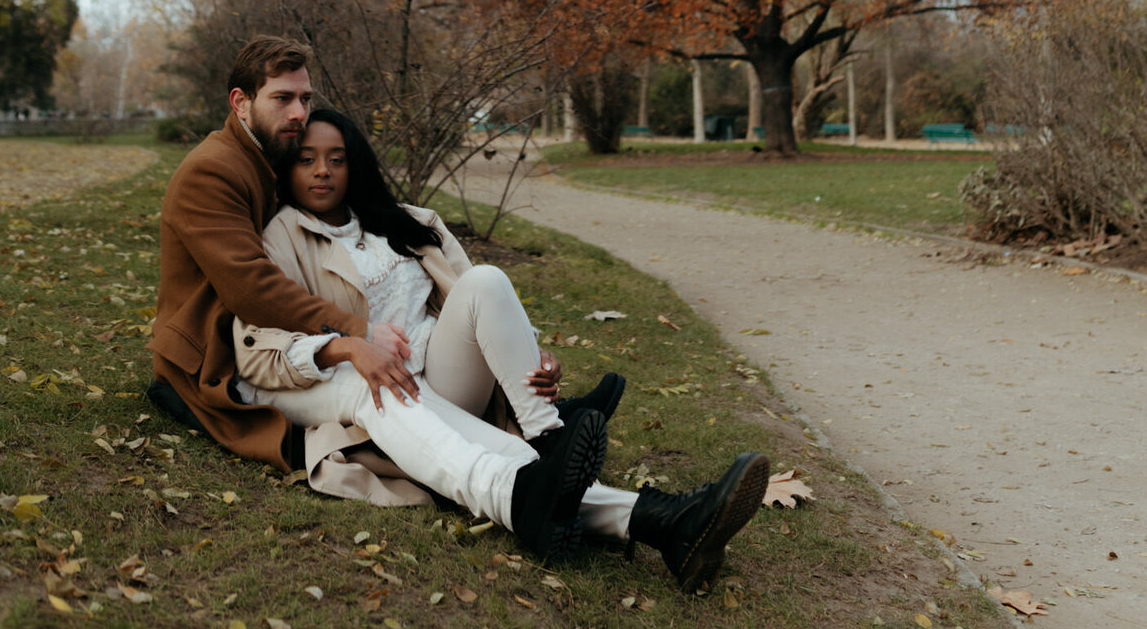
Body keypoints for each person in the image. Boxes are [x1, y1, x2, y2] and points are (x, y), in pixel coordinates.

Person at [233, 107, 771, 592]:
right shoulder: (282, 235)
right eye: (306, 160)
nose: (322, 170)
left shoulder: (410, 223)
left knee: (487, 279)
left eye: (336, 159)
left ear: (356, 165)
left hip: (441, 375)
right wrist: (349, 346)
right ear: (289, 168)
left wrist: (532, 358)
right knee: (484, 451)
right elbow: (259, 346)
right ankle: (666, 520)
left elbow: (481, 303)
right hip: (367, 387)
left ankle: (548, 431)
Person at [149, 35, 608, 545]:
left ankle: (553, 444)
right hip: (220, 354)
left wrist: (522, 351)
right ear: (241, 102)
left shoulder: (273, 156)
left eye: (305, 98)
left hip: (308, 341)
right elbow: (253, 290)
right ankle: (532, 486)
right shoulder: (214, 170)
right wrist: (355, 336)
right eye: (282, 98)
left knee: (472, 300)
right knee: (387, 392)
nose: (298, 112)